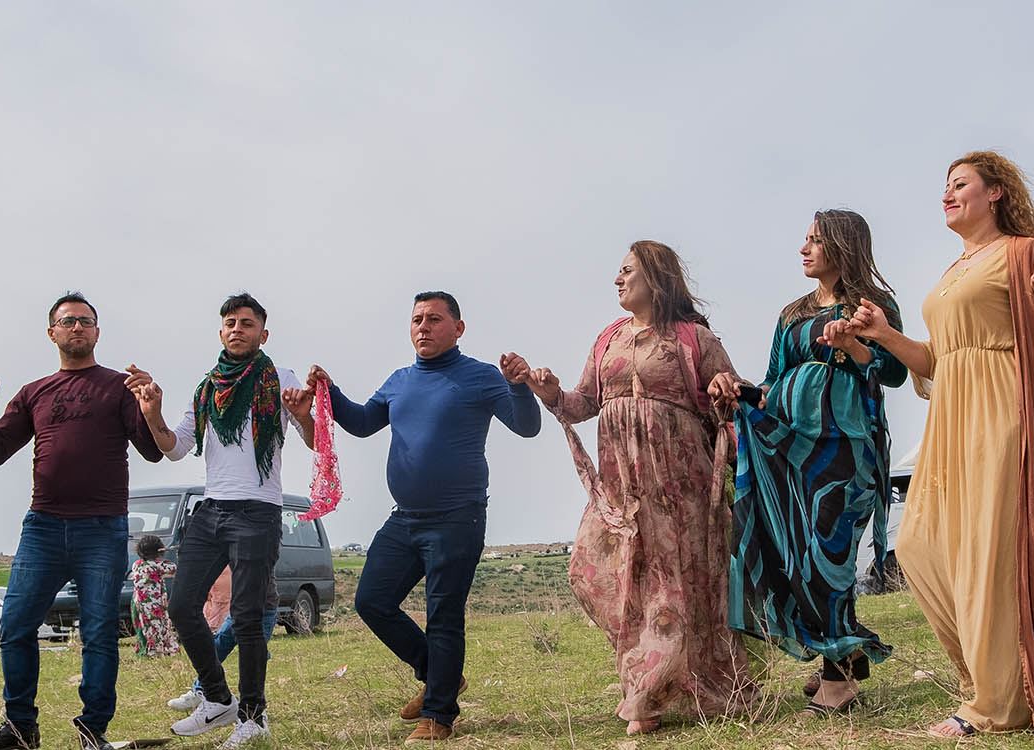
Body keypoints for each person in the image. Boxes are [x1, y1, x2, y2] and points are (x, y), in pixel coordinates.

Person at [847, 152, 1034, 741]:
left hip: (1005, 409)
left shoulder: (1021, 251)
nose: (947, 194)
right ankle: (995, 680)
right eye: (945, 186)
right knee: (920, 543)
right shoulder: (953, 269)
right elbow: (937, 360)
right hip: (952, 416)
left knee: (990, 554)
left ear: (996, 193)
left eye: (960, 184)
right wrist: (883, 334)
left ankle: (996, 703)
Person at [519, 240, 753, 734]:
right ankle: (654, 675)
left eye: (627, 270)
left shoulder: (693, 338)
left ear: (657, 277)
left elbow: (731, 394)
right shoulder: (608, 338)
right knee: (594, 572)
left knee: (673, 586)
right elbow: (584, 403)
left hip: (679, 486)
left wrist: (722, 388)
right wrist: (549, 393)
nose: (618, 279)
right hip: (622, 489)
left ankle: (646, 696)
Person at [315, 290, 541, 742]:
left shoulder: (480, 376)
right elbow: (362, 423)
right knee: (371, 601)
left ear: (458, 328)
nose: (423, 326)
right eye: (417, 319)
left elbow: (527, 426)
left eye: (435, 319)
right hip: (405, 520)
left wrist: (518, 385)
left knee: (443, 615)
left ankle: (438, 715)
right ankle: (439, 674)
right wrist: (330, 391)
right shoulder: (399, 381)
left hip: (458, 518)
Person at [706, 211, 905, 717]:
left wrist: (854, 344)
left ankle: (839, 677)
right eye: (806, 239)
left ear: (843, 245)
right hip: (791, 450)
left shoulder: (874, 306)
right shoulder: (791, 314)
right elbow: (774, 381)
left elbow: (895, 373)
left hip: (847, 446)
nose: (804, 248)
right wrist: (739, 391)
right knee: (799, 556)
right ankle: (842, 654)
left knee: (832, 556)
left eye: (816, 240)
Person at [0, 293, 164, 750]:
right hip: (44, 527)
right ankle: (19, 729)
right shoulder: (34, 392)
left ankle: (93, 732)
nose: (77, 327)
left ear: (97, 332)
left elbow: (152, 451)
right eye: (68, 321)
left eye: (86, 321)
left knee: (99, 633)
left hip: (102, 528)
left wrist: (149, 409)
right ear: (51, 332)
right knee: (15, 626)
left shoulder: (120, 387)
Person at [131, 292, 315, 748]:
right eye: (230, 323)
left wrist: (303, 415)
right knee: (181, 606)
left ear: (263, 334)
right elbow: (175, 447)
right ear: (220, 332)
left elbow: (312, 439)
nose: (237, 329)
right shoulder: (207, 387)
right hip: (211, 509)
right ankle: (217, 697)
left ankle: (254, 717)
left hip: (258, 510)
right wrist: (152, 415)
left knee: (248, 617)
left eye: (246, 323)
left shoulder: (280, 378)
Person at [167, 572, 281, 712]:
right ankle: (201, 690)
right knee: (218, 645)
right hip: (239, 608)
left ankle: (252, 706)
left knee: (254, 656)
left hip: (263, 609)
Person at [130, 535, 179, 658]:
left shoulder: (137, 564)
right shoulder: (157, 565)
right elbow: (174, 568)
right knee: (157, 626)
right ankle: (156, 651)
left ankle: (145, 649)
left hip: (138, 602)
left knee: (144, 626)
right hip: (153, 603)